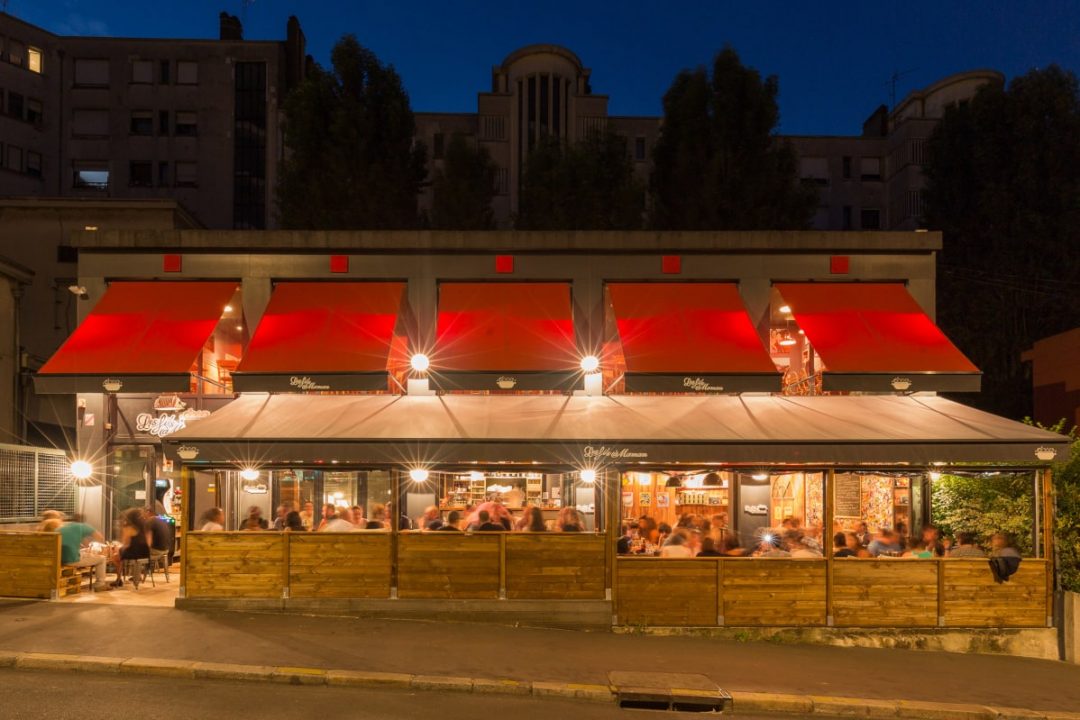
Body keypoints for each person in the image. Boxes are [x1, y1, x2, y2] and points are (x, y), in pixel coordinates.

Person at [56, 514, 109, 591]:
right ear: (83, 521)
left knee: (84, 553)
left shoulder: (62, 527)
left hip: (59, 559)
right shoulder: (83, 526)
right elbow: (100, 537)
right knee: (102, 559)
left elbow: (81, 542)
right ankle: (100, 584)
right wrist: (98, 547)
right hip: (71, 560)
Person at [108, 508, 150, 587]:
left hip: (134, 553)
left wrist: (118, 548)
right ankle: (137, 575)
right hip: (145, 553)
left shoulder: (129, 527)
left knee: (116, 556)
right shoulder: (144, 525)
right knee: (120, 552)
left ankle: (118, 579)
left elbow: (126, 543)